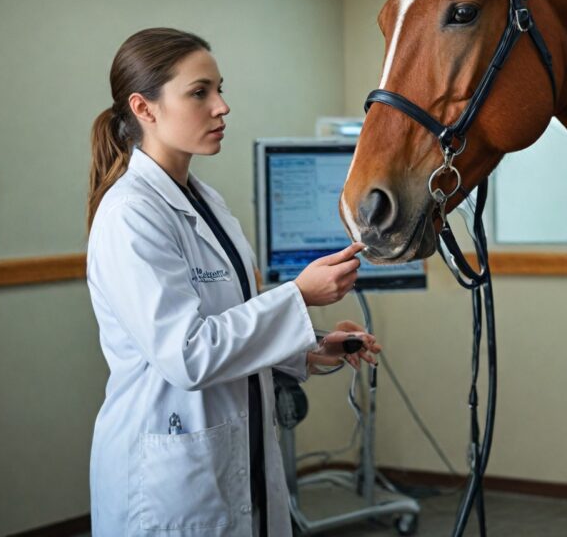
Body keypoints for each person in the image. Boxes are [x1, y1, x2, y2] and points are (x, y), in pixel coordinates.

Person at [86, 27, 379, 536]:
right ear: (145, 108)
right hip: (169, 476)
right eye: (200, 93)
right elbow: (188, 354)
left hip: (232, 453)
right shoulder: (130, 214)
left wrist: (309, 348)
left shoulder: (207, 202)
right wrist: (299, 296)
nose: (221, 107)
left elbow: (228, 324)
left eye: (220, 89)